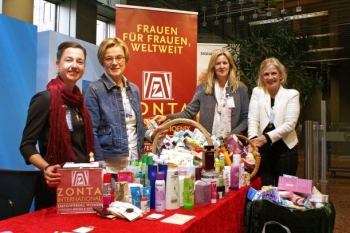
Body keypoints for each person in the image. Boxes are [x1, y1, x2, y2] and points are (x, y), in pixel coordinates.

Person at [19, 41, 95, 210]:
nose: (74, 65)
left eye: (79, 62)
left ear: (84, 68)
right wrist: (46, 167)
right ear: (57, 63)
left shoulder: (79, 103)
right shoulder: (45, 99)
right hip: (55, 185)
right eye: (68, 60)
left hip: (82, 186)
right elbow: (26, 146)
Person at [84, 37, 165, 172]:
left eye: (119, 57)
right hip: (109, 166)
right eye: (108, 58)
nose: (114, 63)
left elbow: (136, 127)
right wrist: (98, 166)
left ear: (125, 59)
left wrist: (151, 134)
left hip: (135, 162)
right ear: (102, 61)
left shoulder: (134, 89)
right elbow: (91, 132)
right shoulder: (94, 89)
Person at [153, 48, 249, 138]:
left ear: (230, 65)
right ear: (213, 67)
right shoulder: (203, 88)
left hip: (234, 143)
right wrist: (166, 117)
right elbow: (188, 113)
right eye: (218, 63)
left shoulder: (241, 88)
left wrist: (232, 136)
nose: (222, 66)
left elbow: (246, 119)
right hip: (209, 143)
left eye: (225, 63)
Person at [248, 57, 300, 186]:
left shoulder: (292, 94)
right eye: (266, 74)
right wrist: (253, 140)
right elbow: (253, 119)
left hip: (286, 149)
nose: (270, 77)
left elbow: (290, 124)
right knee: (266, 190)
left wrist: (265, 138)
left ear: (281, 75)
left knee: (286, 192)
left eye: (273, 73)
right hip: (264, 152)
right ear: (262, 77)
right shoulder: (257, 92)